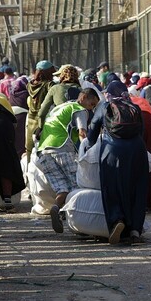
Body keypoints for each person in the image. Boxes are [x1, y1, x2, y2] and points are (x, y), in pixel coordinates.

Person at [87, 81, 149, 244]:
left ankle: (117, 220)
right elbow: (141, 132)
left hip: (112, 151)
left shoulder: (104, 107)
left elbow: (92, 133)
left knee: (112, 186)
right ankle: (135, 229)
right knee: (137, 188)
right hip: (137, 150)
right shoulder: (134, 107)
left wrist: (89, 146)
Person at [35, 88, 100, 234]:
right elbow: (82, 133)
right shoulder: (78, 109)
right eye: (92, 104)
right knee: (76, 185)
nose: (92, 108)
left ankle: (56, 209)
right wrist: (88, 152)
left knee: (62, 188)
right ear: (83, 97)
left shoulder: (59, 107)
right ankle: (78, 221)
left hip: (43, 152)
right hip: (62, 149)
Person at [26, 60, 56, 155]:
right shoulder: (49, 85)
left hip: (30, 119)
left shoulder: (29, 85)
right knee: (42, 148)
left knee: (30, 147)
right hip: (43, 120)